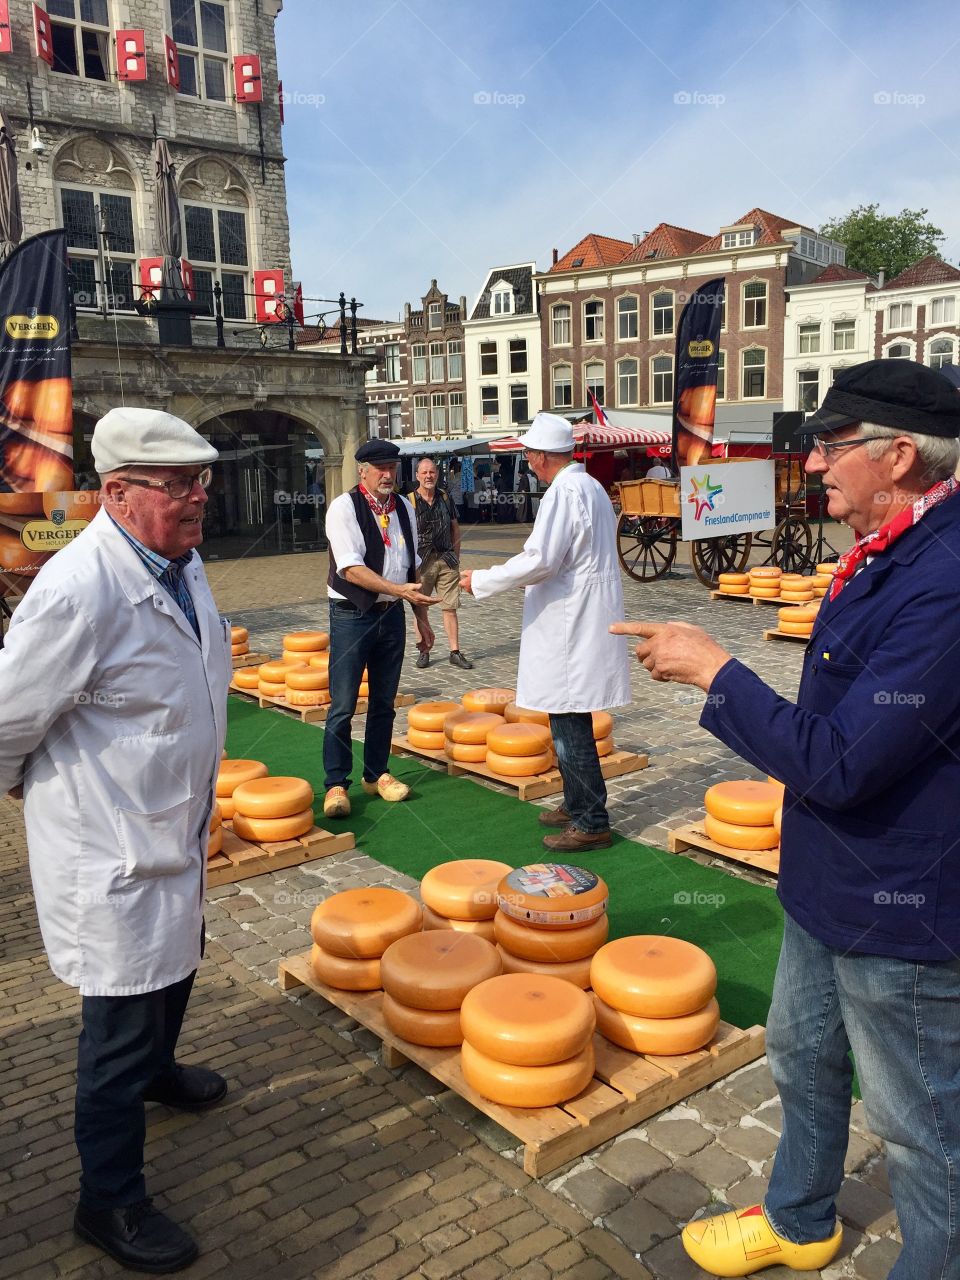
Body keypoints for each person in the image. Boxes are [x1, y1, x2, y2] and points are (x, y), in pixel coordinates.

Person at [611, 359, 960, 1280]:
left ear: (898, 455)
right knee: (804, 1054)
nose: (812, 465)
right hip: (829, 880)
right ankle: (802, 1218)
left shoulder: (948, 576)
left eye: (832, 447)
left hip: (904, 907)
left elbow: (845, 760)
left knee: (923, 1132)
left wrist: (714, 672)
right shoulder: (892, 542)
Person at [0, 407, 231, 1273]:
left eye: (201, 483)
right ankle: (109, 1200)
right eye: (177, 487)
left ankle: (162, 1071)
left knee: (179, 965)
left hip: (172, 822)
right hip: (112, 849)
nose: (197, 499)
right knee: (118, 1023)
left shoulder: (182, 561)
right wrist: (27, 785)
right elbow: (5, 717)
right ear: (118, 495)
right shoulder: (78, 591)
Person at [462, 412, 630, 851]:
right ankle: (577, 803)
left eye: (529, 454)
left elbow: (541, 560)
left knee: (570, 719)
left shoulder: (564, 493)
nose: (529, 461)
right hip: (578, 616)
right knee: (566, 715)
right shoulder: (589, 485)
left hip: (570, 623)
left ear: (538, 458)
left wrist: (482, 579)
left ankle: (592, 820)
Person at [323, 438, 438, 818]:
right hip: (351, 614)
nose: (387, 474)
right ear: (363, 471)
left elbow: (413, 567)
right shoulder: (344, 508)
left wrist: (421, 617)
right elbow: (351, 569)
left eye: (392, 467)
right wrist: (397, 591)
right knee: (342, 704)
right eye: (380, 468)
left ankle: (377, 774)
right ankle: (336, 783)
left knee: (384, 701)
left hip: (393, 614)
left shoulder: (404, 506)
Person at [410, 456, 473, 670]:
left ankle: (454, 652)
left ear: (437, 474)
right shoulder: (408, 501)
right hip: (422, 563)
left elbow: (455, 528)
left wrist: (455, 557)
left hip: (446, 560)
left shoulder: (445, 497)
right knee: (421, 607)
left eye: (432, 472)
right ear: (417, 475)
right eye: (424, 472)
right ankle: (424, 650)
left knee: (450, 607)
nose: (429, 476)